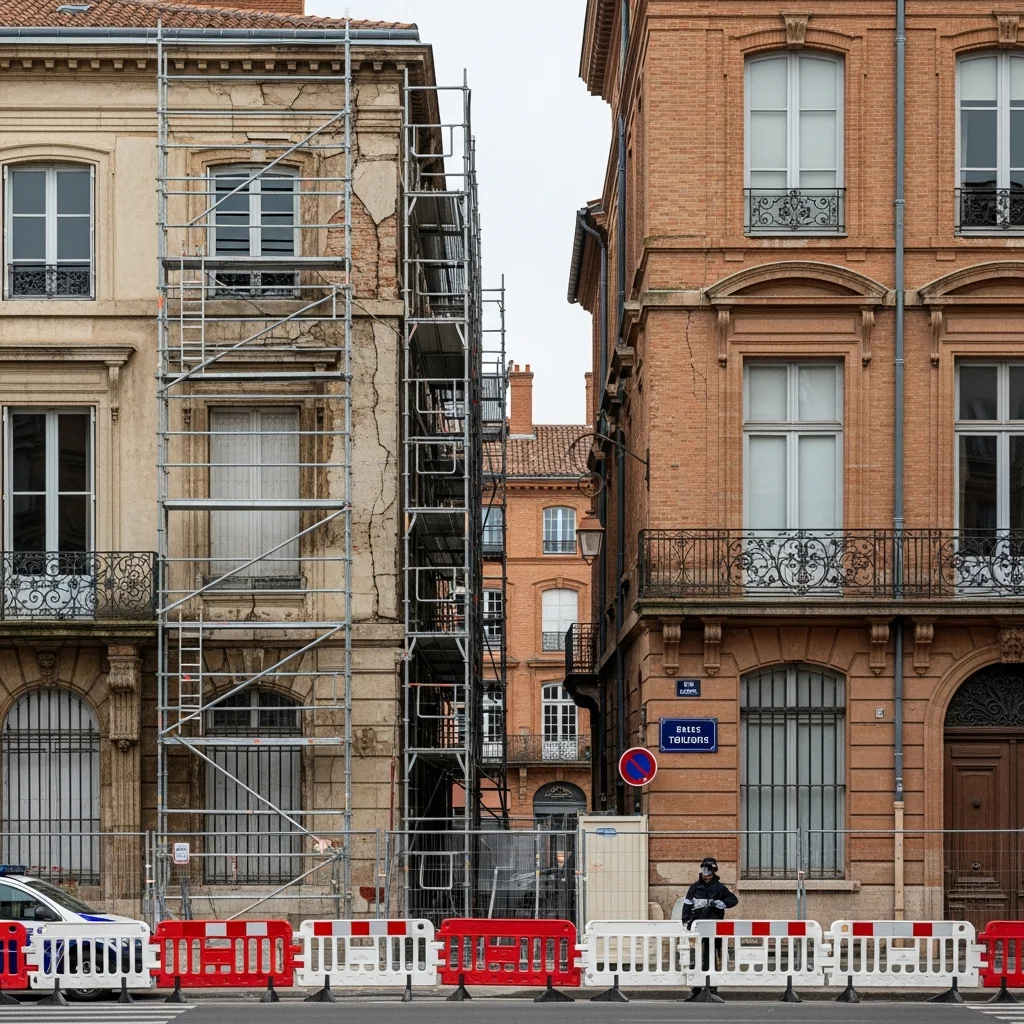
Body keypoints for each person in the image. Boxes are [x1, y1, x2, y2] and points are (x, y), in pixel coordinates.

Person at [681, 856, 738, 999]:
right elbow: (687, 906)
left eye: (709, 872)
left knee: (712, 958)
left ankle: (712, 988)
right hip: (697, 927)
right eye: (705, 872)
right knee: (696, 958)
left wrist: (722, 903)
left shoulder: (719, 888)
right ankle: (696, 989)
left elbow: (733, 899)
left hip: (714, 929)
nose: (707, 876)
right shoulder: (695, 887)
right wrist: (686, 922)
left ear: (713, 872)